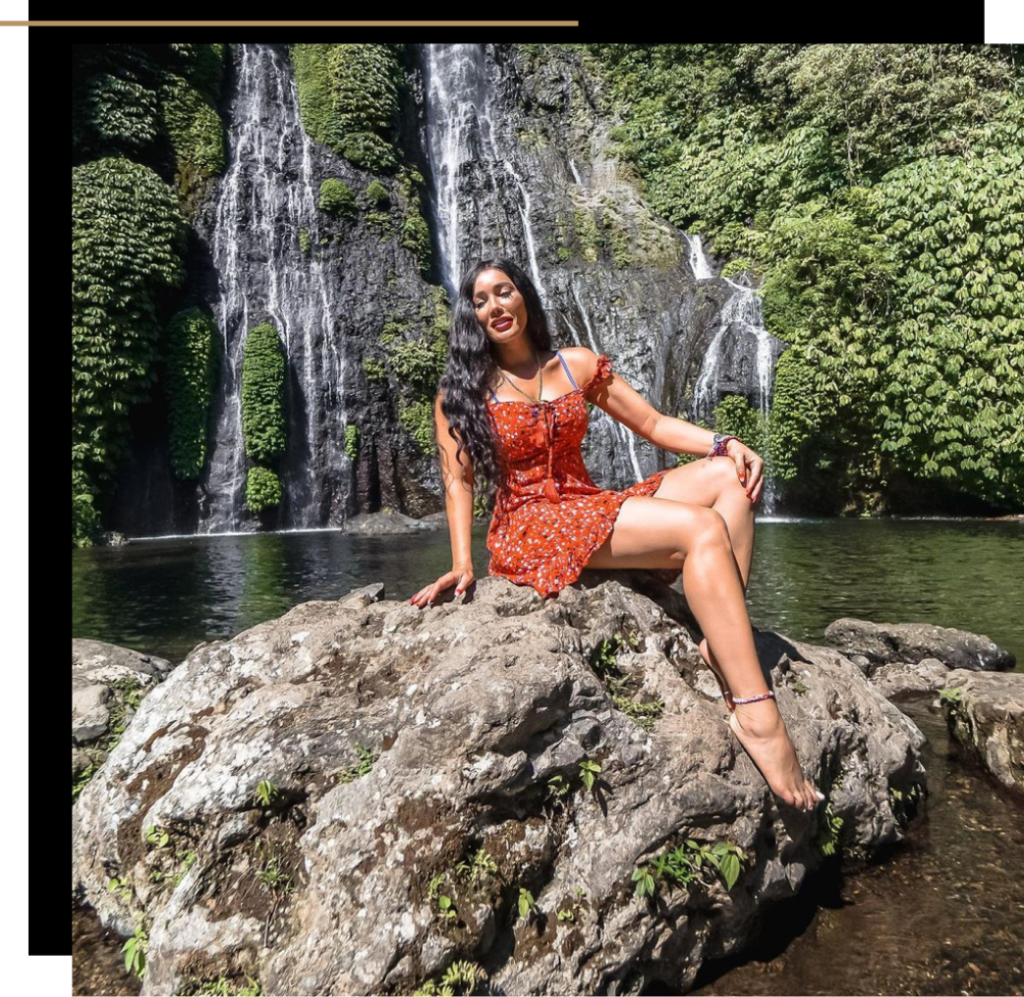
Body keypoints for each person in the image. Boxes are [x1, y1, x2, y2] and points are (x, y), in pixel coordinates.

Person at [410, 258, 824, 812]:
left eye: (503, 292)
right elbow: (457, 481)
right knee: (702, 529)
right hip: (531, 525)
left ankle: (718, 642)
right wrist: (462, 563)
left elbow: (652, 425)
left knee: (731, 479)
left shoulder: (574, 364)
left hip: (587, 503)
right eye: (480, 300)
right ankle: (758, 714)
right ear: (472, 316)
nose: (494, 307)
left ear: (523, 296)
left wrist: (723, 443)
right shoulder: (464, 391)